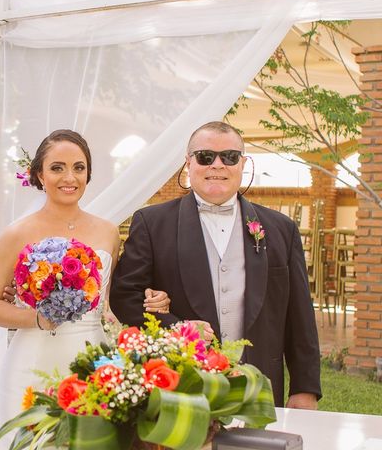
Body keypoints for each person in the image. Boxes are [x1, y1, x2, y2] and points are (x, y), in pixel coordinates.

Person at [110, 121, 321, 409]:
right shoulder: (152, 223)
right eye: (205, 156)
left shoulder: (281, 228)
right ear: (188, 163)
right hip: (180, 383)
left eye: (230, 157)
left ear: (243, 163)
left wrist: (304, 387)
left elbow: (300, 315)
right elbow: (125, 298)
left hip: (259, 385)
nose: (217, 165)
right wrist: (177, 329)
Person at [0, 129, 170, 430]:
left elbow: (111, 300)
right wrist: (39, 319)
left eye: (78, 168)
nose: (69, 177)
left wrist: (151, 296)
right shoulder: (16, 234)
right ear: (39, 175)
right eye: (57, 168)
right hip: (32, 359)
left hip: (92, 355)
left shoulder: (108, 232)